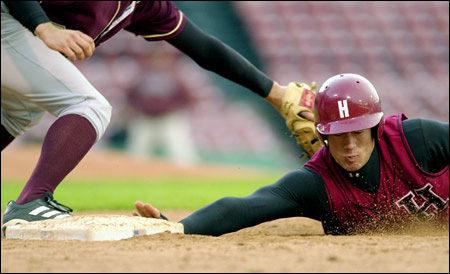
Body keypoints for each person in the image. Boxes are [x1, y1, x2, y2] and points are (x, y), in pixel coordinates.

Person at [1, 1, 312, 226]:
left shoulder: (145, 6)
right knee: (88, 104)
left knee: (20, 110)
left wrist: (276, 93)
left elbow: (204, 48)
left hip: (14, 36)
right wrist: (43, 26)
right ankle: (30, 203)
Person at [133, 73, 449, 236]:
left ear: (376, 128)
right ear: (321, 135)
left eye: (357, 132)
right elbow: (246, 208)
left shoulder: (417, 139)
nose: (349, 145)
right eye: (338, 135)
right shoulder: (318, 184)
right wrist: (179, 227)